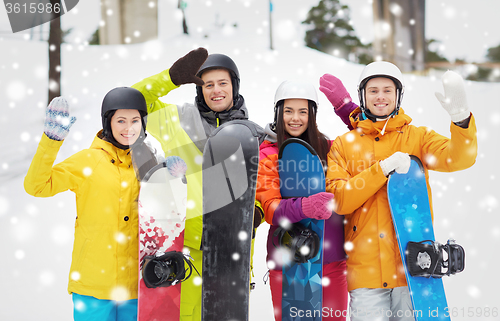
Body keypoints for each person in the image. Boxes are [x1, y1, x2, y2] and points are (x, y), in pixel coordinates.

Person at [324, 62, 478, 321]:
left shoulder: (417, 138)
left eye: (387, 90)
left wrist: (461, 121)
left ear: (398, 95)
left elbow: (460, 158)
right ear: (362, 96)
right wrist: (381, 170)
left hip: (412, 271)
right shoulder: (343, 145)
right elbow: (339, 200)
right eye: (373, 91)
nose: (380, 96)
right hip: (366, 275)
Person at [131, 48, 265, 320]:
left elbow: (262, 186)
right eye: (208, 84)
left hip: (231, 254)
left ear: (234, 86)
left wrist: (257, 209)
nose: (216, 90)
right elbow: (131, 102)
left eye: (223, 83)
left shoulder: (251, 134)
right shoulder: (176, 120)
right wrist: (169, 78)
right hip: (187, 253)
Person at [24, 87, 154, 320]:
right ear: (108, 122)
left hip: (137, 285)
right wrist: (50, 143)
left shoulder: (147, 162)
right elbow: (36, 186)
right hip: (94, 287)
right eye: (121, 120)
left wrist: (174, 176)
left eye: (135, 120)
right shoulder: (89, 160)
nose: (128, 128)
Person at [256, 79, 357, 320]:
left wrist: (346, 109)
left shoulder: (330, 148)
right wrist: (304, 207)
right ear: (277, 112)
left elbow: (367, 140)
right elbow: (270, 208)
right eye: (288, 111)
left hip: (332, 262)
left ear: (312, 115)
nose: (295, 118)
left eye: (303, 112)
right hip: (290, 262)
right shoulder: (267, 154)